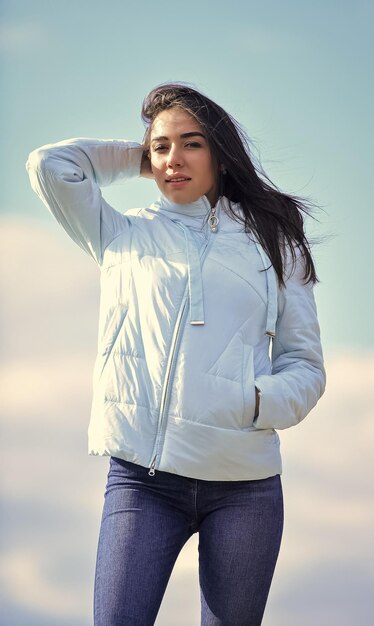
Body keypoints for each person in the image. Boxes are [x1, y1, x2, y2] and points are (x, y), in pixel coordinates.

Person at [26, 82, 326, 626]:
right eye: (160, 147)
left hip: (244, 486)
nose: (173, 159)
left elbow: (305, 364)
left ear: (221, 153)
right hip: (142, 481)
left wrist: (254, 403)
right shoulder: (123, 236)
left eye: (191, 143)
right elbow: (51, 165)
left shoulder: (275, 242)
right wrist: (141, 161)